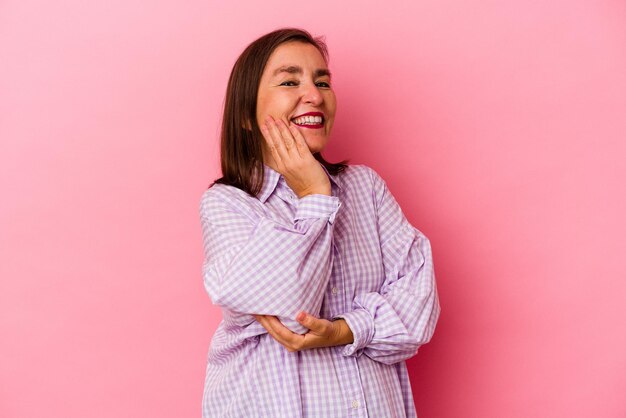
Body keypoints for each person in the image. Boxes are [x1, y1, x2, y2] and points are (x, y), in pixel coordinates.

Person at [199, 27, 441, 418]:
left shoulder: (366, 188)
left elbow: (419, 306)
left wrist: (346, 329)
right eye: (290, 81)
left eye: (323, 81)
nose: (314, 95)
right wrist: (315, 197)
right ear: (246, 115)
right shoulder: (228, 204)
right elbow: (289, 312)